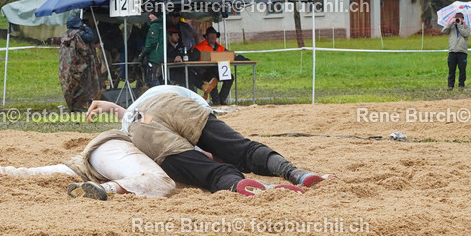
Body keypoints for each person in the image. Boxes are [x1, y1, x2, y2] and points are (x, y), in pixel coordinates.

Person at [86, 85, 326, 195]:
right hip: (173, 104)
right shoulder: (181, 95)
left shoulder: (138, 112)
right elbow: (209, 140)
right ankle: (295, 173)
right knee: (244, 151)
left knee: (213, 173)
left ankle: (242, 186)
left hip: (139, 129)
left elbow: (146, 120)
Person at [0, 132, 176, 200]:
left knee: (23, 176)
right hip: (118, 150)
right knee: (161, 182)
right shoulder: (192, 119)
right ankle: (103, 191)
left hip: (98, 158)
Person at [59, 15, 100, 111]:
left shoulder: (66, 36)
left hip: (67, 66)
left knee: (71, 86)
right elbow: (90, 37)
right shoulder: (80, 34)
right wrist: (86, 27)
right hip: (79, 66)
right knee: (82, 86)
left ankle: (73, 105)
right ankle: (79, 106)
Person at [189, 26, 235, 105]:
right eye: (211, 34)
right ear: (206, 37)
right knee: (212, 78)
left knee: (230, 77)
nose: (213, 36)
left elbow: (229, 56)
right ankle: (216, 101)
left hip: (218, 70)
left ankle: (221, 99)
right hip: (205, 71)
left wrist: (234, 56)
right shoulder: (199, 48)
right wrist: (198, 69)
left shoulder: (221, 48)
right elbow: (192, 61)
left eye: (214, 34)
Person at [442, 13, 470, 90]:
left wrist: (460, 25)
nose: (457, 20)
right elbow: (444, 31)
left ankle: (461, 84)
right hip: (452, 51)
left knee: (462, 69)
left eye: (459, 18)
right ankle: (450, 85)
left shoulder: (466, 27)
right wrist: (451, 23)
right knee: (451, 69)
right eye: (456, 18)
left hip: (462, 52)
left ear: (462, 19)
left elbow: (466, 34)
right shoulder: (451, 27)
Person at [138, 11, 165, 87]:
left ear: (156, 15)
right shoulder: (163, 25)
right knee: (158, 78)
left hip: (154, 56)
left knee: (152, 80)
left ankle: (157, 96)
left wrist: (144, 52)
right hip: (160, 56)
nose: (149, 16)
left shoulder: (154, 26)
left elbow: (152, 42)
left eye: (151, 14)